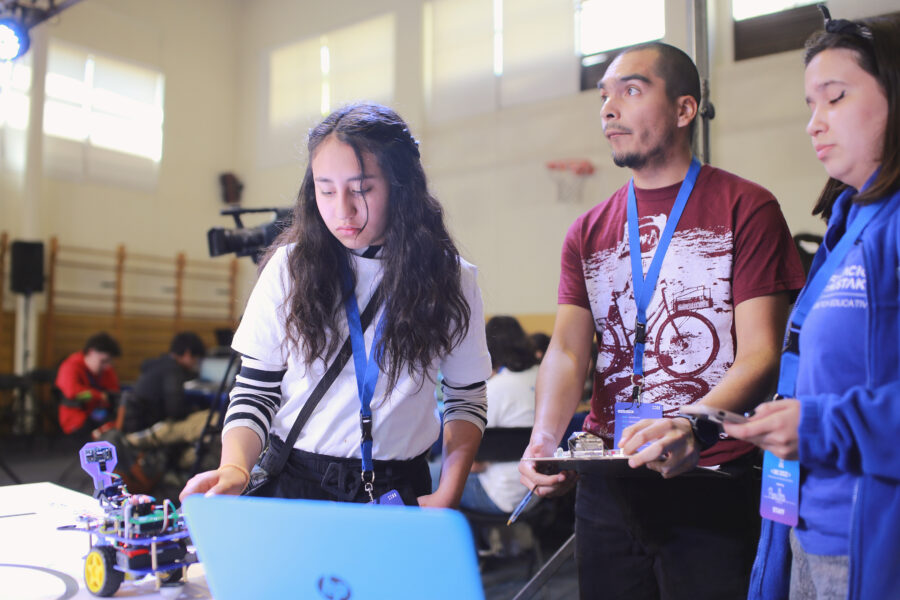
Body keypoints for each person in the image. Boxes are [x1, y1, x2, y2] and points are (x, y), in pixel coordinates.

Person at [518, 42, 806, 599]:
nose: (608, 108)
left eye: (630, 89)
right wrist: (545, 438)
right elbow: (569, 350)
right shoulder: (588, 229)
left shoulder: (746, 207)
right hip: (610, 482)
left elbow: (761, 354)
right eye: (604, 95)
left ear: (683, 109)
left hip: (709, 474)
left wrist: (692, 423)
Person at [180, 103, 491, 507]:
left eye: (361, 189)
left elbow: (466, 397)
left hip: (398, 488)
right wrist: (235, 467)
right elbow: (256, 389)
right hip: (296, 479)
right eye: (325, 190)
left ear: (401, 185)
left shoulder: (450, 277)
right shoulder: (289, 268)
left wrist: (449, 490)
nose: (341, 209)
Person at [724, 12, 900, 600]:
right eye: (809, 104)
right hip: (805, 529)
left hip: (869, 542)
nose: (813, 124)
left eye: (836, 98)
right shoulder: (848, 222)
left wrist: (823, 424)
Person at [448, 315, 538, 515]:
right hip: (536, 494)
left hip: (500, 493)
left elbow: (472, 464)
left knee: (431, 476)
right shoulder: (542, 377)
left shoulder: (495, 389)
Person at [120, 332, 209, 470]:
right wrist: (193, 409)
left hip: (135, 427)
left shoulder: (158, 365)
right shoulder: (173, 371)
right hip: (147, 431)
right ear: (187, 353)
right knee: (211, 420)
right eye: (196, 358)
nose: (196, 363)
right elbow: (175, 411)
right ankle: (183, 465)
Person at [56, 332, 121, 436]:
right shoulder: (70, 366)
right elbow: (73, 393)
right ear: (91, 352)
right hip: (76, 419)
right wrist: (98, 396)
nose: (107, 366)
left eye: (109, 362)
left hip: (99, 416)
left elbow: (114, 391)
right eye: (103, 361)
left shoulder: (106, 370)